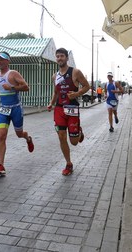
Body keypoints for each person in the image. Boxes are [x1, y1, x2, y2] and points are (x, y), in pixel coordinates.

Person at [0, 51, 34, 175]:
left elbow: (26, 87)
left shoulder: (13, 73)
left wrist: (12, 87)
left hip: (16, 109)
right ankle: (1, 165)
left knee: (19, 134)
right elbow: (1, 88)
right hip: (3, 109)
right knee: (1, 135)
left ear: (8, 61)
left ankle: (28, 138)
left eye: (2, 59)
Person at [47, 48, 90, 176]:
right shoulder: (55, 76)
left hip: (72, 109)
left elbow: (87, 86)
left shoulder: (75, 72)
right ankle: (68, 164)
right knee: (61, 136)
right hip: (59, 109)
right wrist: (51, 103)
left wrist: (77, 93)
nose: (59, 58)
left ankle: (78, 131)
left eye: (62, 56)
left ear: (67, 58)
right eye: (57, 56)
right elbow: (56, 92)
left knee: (74, 142)